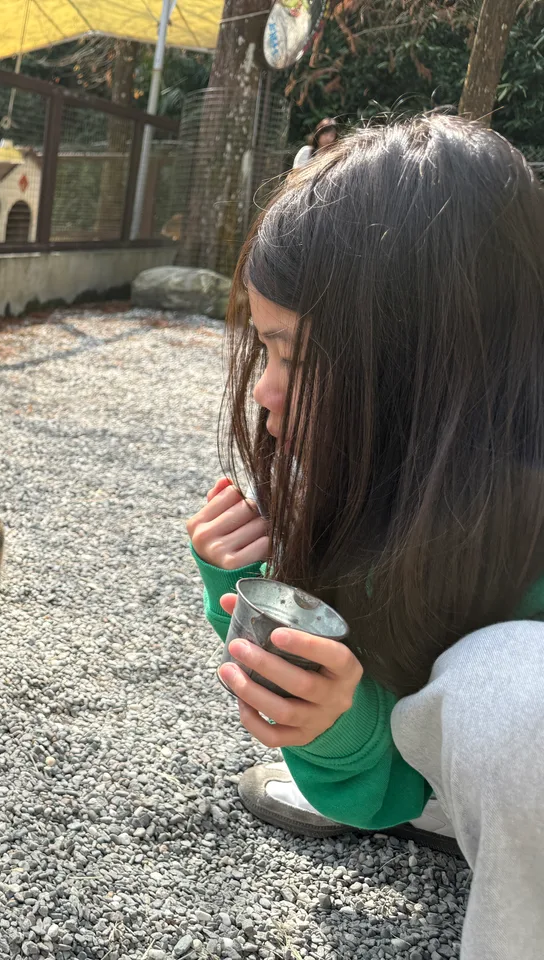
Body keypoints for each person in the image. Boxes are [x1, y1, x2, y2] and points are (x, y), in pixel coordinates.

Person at [185, 114, 544, 958]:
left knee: (510, 700)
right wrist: (321, 714)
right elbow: (374, 789)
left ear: (438, 362)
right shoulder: (367, 472)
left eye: (298, 359)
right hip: (432, 780)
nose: (265, 393)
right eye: (261, 350)